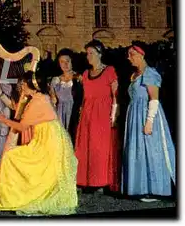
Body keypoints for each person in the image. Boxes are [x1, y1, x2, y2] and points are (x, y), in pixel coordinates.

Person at [0, 71, 77, 215]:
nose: (21, 86)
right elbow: (18, 110)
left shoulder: (38, 101)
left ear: (32, 85)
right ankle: (17, 194)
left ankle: (17, 197)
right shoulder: (37, 98)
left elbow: (21, 126)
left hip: (47, 142)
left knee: (11, 157)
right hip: (47, 137)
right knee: (16, 157)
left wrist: (1, 119)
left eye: (24, 83)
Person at [122, 43, 176, 201]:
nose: (129, 58)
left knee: (151, 149)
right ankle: (141, 187)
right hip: (134, 115)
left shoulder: (150, 73)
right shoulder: (134, 75)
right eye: (128, 54)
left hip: (147, 114)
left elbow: (154, 99)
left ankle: (156, 189)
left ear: (141, 55)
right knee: (138, 150)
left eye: (132, 54)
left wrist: (149, 122)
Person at [75, 40, 120, 193]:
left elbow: (116, 96)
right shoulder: (86, 74)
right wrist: (82, 109)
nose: (88, 56)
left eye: (91, 53)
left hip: (102, 114)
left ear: (100, 54)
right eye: (87, 53)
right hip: (88, 114)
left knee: (99, 148)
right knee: (85, 147)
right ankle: (84, 181)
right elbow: (84, 96)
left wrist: (113, 116)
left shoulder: (109, 71)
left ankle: (100, 182)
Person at [49, 49, 83, 144]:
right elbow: (53, 100)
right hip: (60, 113)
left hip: (75, 112)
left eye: (67, 61)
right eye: (62, 62)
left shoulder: (79, 78)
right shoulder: (56, 80)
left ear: (72, 62)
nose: (65, 64)